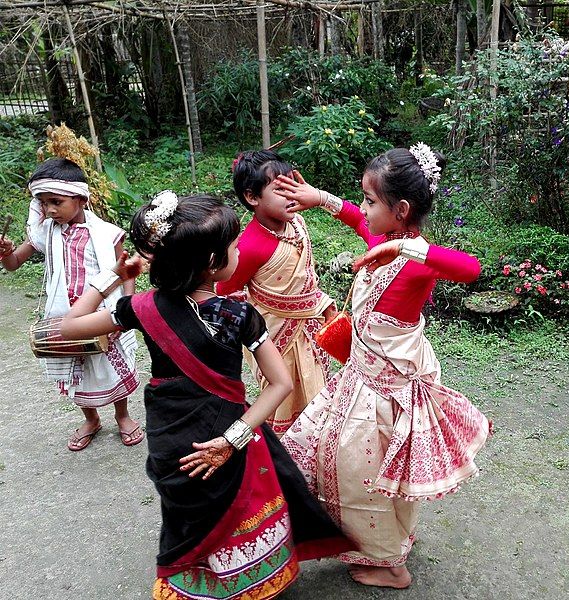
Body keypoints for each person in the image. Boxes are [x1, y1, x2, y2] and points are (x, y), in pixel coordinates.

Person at [60, 192, 354, 599]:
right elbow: (281, 383)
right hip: (231, 429)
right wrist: (232, 440)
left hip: (173, 435)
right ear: (214, 264)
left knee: (190, 509)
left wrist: (113, 274)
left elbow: (68, 326)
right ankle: (253, 578)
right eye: (233, 247)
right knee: (242, 504)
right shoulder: (239, 315)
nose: (239, 251)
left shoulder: (138, 308)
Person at [274, 144, 492, 589]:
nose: (365, 210)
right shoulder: (379, 236)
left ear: (401, 210)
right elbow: (355, 219)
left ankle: (392, 565)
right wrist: (321, 199)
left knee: (365, 478)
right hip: (357, 380)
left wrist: (407, 248)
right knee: (341, 465)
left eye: (372, 201)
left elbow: (472, 269)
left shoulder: (416, 264)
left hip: (385, 395)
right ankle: (383, 545)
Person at [0, 157, 141, 451]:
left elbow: (125, 270)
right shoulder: (46, 232)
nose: (49, 210)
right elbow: (13, 265)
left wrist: (127, 305)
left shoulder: (106, 233)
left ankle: (122, 416)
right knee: (75, 370)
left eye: (56, 202)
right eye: (43, 203)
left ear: (79, 198)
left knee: (111, 365)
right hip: (64, 317)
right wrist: (6, 253)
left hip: (103, 313)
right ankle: (91, 420)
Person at [216, 150, 336, 436]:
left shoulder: (297, 223)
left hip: (310, 330)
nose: (292, 195)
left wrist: (322, 305)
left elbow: (307, 279)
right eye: (281, 189)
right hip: (277, 339)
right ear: (252, 197)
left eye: (293, 185)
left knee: (318, 395)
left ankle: (315, 450)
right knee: (287, 399)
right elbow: (225, 289)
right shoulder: (250, 247)